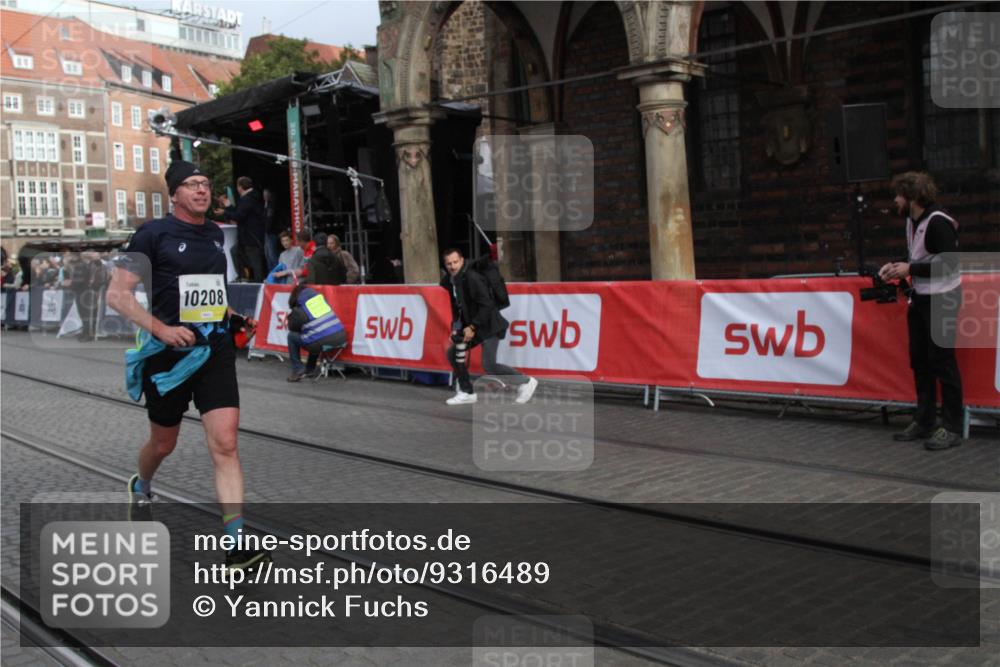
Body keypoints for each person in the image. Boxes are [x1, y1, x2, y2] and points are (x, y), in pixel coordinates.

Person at [106, 160, 268, 570]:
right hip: (168, 356)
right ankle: (140, 485)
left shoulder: (214, 234)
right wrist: (161, 330)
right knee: (164, 444)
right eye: (192, 185)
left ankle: (236, 544)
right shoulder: (151, 234)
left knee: (226, 443)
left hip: (213, 350)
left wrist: (232, 316)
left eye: (206, 184)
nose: (202, 190)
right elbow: (117, 296)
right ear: (174, 194)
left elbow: (208, 295)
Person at [879, 171, 963, 451]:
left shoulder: (938, 222)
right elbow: (919, 258)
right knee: (920, 360)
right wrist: (897, 267)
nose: (895, 200)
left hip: (943, 298)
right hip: (923, 297)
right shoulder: (912, 222)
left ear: (912, 197)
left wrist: (910, 269)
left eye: (899, 195)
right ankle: (925, 419)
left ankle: (951, 426)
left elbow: (950, 264)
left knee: (943, 362)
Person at [439, 247, 537, 405]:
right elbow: (456, 308)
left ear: (462, 260)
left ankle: (526, 382)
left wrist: (472, 327)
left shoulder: (472, 278)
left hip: (489, 325)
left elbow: (487, 305)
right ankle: (467, 392)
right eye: (449, 263)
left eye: (455, 262)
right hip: (472, 326)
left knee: (489, 365)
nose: (452, 266)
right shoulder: (452, 282)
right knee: (453, 353)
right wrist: (456, 328)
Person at [285, 282, 347, 382]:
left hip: (322, 341)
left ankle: (297, 369)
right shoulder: (321, 301)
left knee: (292, 336)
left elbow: (292, 327)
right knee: (313, 335)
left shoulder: (300, 309)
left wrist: (292, 314)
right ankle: (309, 369)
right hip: (341, 337)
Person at [217, 176, 267, 282]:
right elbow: (239, 212)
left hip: (251, 235)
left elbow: (239, 216)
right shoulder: (250, 197)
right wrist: (229, 206)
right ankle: (244, 276)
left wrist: (224, 212)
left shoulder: (248, 199)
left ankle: (257, 280)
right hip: (248, 235)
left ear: (240, 187)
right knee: (236, 252)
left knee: (254, 258)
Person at [262, 188, 281, 273]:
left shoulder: (272, 205)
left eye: (266, 194)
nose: (264, 196)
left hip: (271, 232)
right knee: (268, 254)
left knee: (272, 254)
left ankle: (275, 272)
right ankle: (271, 273)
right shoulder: (267, 205)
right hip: (268, 232)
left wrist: (267, 229)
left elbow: (270, 219)